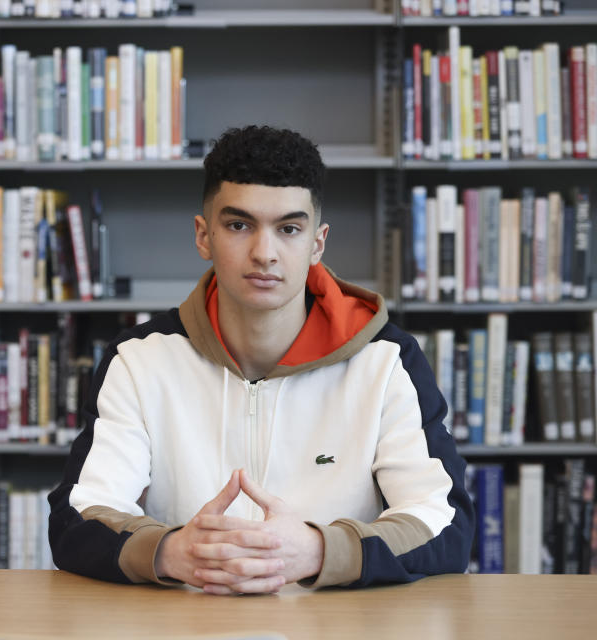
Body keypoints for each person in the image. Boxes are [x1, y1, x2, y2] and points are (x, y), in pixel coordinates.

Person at [47, 125, 475, 594]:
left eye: (289, 229)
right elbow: (77, 516)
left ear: (318, 242)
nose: (264, 253)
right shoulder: (139, 360)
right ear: (203, 235)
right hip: (187, 627)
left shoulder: (387, 361)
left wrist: (318, 551)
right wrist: (170, 551)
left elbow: (445, 524)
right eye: (239, 225)